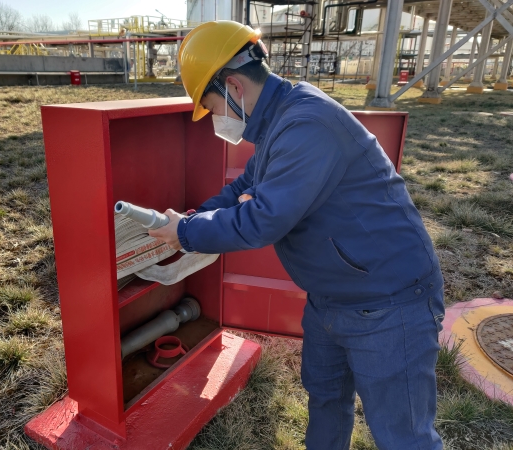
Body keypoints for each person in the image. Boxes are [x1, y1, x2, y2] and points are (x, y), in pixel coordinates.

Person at [150, 20, 445, 450]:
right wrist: (193, 218)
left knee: (404, 437)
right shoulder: (277, 123)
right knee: (326, 401)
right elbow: (241, 190)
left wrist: (189, 234)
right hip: (331, 297)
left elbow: (264, 220)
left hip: (388, 302)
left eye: (212, 108)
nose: (215, 120)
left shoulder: (307, 124)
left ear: (233, 86)